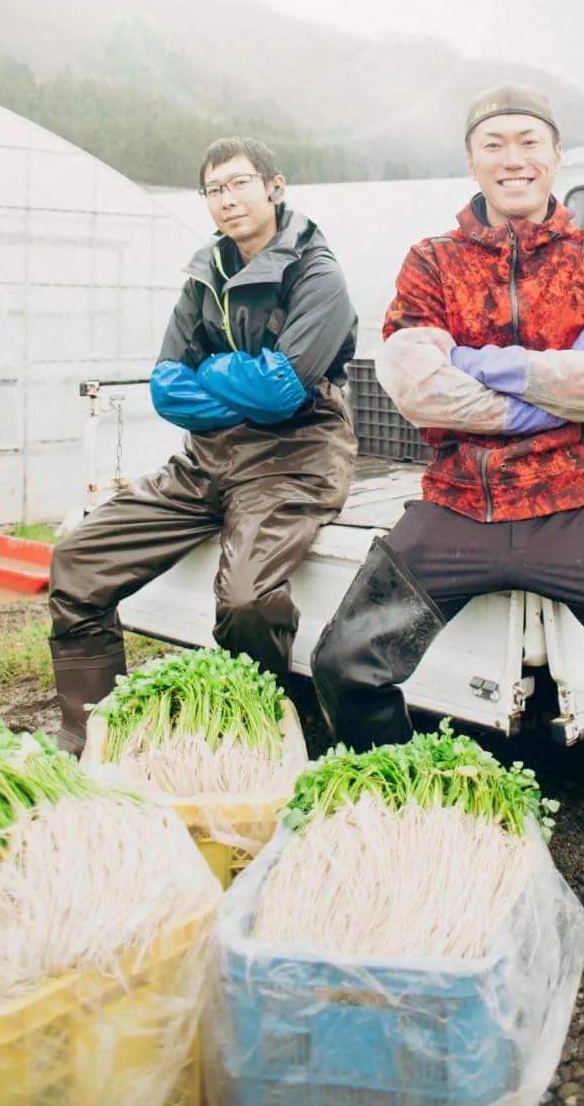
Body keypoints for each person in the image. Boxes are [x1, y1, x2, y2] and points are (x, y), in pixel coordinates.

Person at [311, 83, 584, 992]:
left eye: (528, 139)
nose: (513, 156)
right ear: (473, 158)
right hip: (457, 501)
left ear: (555, 154)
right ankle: (421, 845)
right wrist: (546, 392)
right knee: (345, 664)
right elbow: (414, 385)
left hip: (573, 502)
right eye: (494, 141)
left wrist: (482, 367)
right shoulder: (431, 260)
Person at [48, 136, 357, 753]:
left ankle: (263, 733)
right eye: (214, 189)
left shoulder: (317, 274)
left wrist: (212, 371)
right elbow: (167, 387)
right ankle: (91, 736)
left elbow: (281, 393)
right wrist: (243, 381)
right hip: (207, 459)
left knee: (245, 600)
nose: (227, 199)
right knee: (78, 560)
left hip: (293, 460)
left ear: (274, 187)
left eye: (240, 183)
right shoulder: (205, 273)